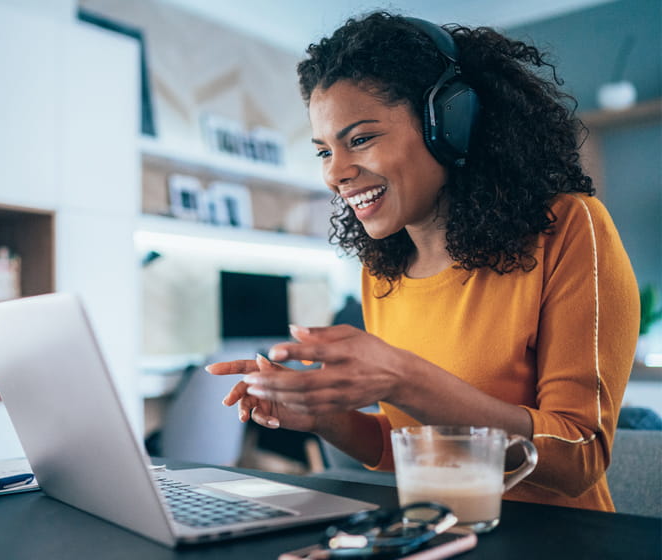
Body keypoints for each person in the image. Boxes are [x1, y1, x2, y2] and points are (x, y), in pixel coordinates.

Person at [206, 12, 639, 512]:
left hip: (554, 537)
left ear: (448, 124)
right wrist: (323, 416)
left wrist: (401, 378)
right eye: (324, 151)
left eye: (360, 139)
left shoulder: (567, 229)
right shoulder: (382, 270)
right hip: (432, 532)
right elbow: (416, 447)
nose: (335, 173)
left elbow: (579, 456)